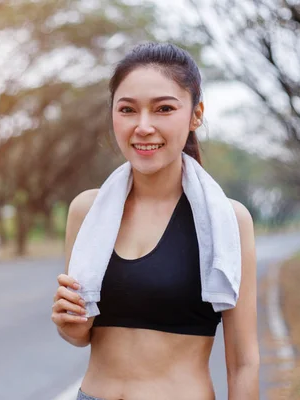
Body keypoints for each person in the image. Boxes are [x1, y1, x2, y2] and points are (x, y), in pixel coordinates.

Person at [50, 42, 259, 400]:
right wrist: (69, 323)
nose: (143, 127)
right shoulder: (88, 211)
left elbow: (243, 362)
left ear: (196, 115)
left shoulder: (227, 220)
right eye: (128, 109)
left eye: (164, 109)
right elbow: (80, 336)